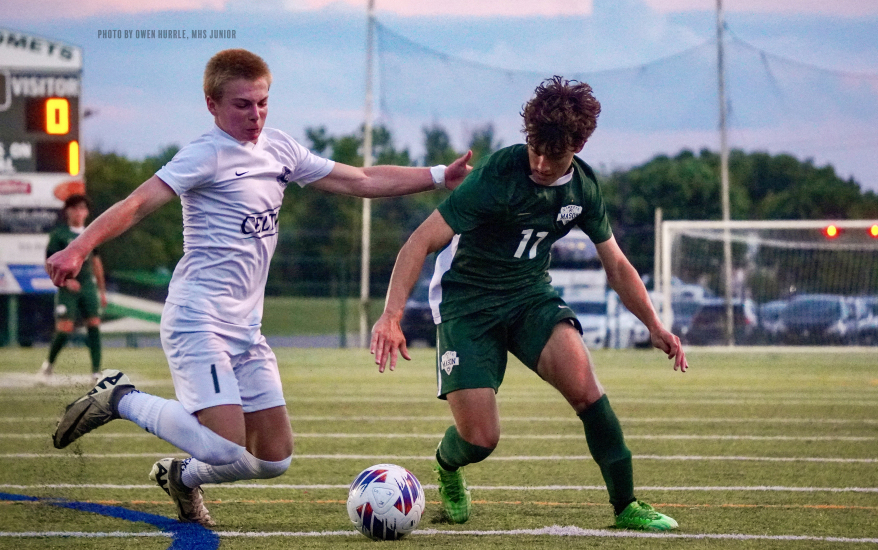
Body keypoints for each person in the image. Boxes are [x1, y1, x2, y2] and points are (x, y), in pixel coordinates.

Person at [46, 48, 472, 527]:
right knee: (225, 445)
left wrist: (439, 176)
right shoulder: (203, 155)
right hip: (198, 318)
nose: (256, 115)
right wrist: (79, 247)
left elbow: (362, 179)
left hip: (246, 330)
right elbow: (137, 204)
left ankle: (182, 478)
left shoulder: (280, 149)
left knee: (273, 458)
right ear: (211, 104)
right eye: (242, 104)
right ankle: (119, 397)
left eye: (263, 103)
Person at [371, 76, 688, 531]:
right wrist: (391, 316)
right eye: (534, 148)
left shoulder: (583, 190)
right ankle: (447, 464)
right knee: (480, 440)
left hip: (529, 296)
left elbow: (616, 264)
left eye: (552, 154)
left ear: (578, 145)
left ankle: (626, 506)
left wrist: (655, 325)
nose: (539, 163)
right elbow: (419, 242)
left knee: (587, 390)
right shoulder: (497, 175)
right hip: (468, 303)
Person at [38, 194, 107, 381]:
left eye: (82, 208)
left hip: (88, 286)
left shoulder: (91, 233)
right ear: (68, 211)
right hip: (67, 288)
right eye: (75, 208)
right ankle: (49, 364)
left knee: (94, 324)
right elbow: (49, 263)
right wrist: (66, 281)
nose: (79, 212)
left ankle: (96, 371)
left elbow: (96, 262)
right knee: (65, 328)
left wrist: (102, 291)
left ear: (87, 212)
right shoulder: (59, 235)